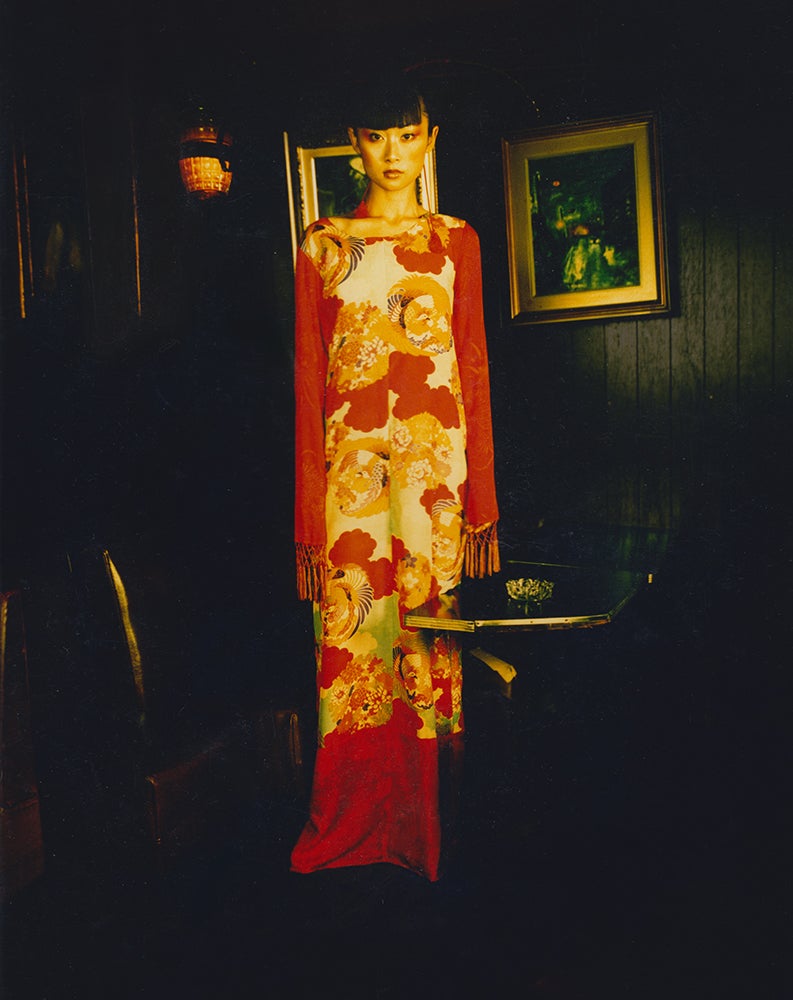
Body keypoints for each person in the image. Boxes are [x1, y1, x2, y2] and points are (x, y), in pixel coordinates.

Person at [291, 78, 500, 882]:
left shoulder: (455, 241)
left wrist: (479, 498)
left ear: (429, 138)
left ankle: (420, 829)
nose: (391, 153)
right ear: (355, 140)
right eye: (376, 136)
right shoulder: (322, 245)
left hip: (433, 468)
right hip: (348, 473)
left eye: (406, 135)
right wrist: (309, 513)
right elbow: (308, 379)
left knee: (425, 638)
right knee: (355, 641)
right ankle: (354, 824)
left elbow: (471, 366)